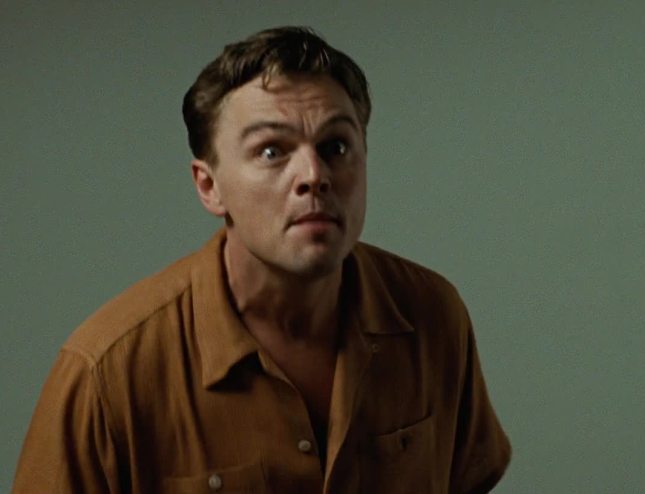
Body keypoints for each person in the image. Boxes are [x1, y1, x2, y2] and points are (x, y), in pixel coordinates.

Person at [13, 26, 511, 493]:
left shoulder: (431, 314)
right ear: (209, 186)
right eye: (272, 151)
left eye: (336, 146)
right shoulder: (106, 373)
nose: (313, 175)